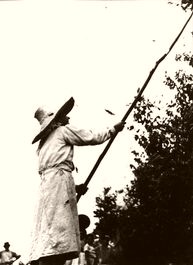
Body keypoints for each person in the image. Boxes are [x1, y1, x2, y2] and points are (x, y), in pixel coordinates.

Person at [29, 97, 125, 265]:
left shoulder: (43, 146)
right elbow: (90, 137)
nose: (68, 118)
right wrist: (112, 130)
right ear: (57, 120)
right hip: (58, 186)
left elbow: (55, 170)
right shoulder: (62, 131)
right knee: (59, 241)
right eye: (64, 115)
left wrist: (73, 188)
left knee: (52, 237)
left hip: (48, 190)